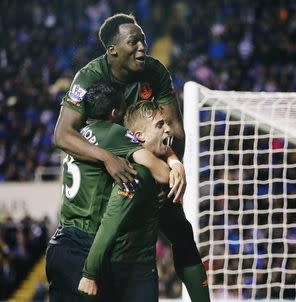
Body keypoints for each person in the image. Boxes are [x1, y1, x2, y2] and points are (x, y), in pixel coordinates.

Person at [53, 13, 210, 301]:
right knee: (112, 233)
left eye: (143, 41)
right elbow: (62, 134)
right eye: (133, 41)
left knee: (180, 231)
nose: (142, 47)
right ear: (112, 50)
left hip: (146, 159)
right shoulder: (90, 76)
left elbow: (174, 127)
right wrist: (105, 158)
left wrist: (174, 167)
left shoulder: (155, 71)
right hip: (110, 166)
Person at [46, 83, 178, 301]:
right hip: (84, 243)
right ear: (115, 112)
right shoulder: (114, 134)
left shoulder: (78, 136)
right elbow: (162, 173)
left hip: (59, 245)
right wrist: (174, 162)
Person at [78, 100, 176, 301]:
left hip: (144, 266)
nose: (168, 129)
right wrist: (90, 273)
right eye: (159, 125)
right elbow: (110, 224)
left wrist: (175, 161)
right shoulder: (134, 173)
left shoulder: (154, 167)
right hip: (123, 271)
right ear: (139, 136)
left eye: (166, 123)